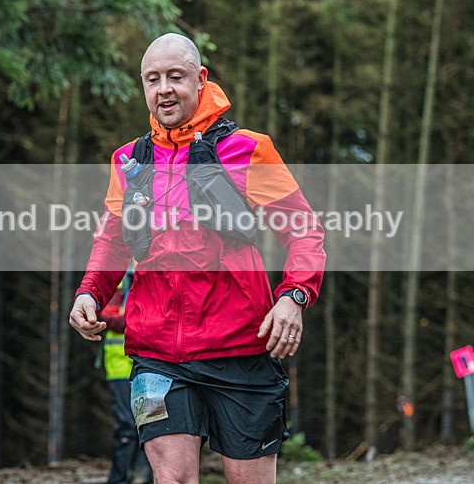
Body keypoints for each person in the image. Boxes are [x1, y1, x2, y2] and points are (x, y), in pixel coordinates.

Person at [69, 33, 326, 483]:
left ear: (200, 78)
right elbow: (112, 242)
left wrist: (294, 296)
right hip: (156, 354)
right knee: (173, 479)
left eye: (175, 76)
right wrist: (90, 292)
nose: (164, 88)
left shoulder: (247, 149)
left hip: (241, 348)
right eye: (153, 79)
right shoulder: (128, 161)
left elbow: (303, 231)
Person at [98, 266, 153, 484]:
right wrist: (144, 321)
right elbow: (107, 316)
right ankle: (118, 479)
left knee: (150, 423)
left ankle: (143, 478)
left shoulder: (157, 273)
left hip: (150, 363)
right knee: (127, 425)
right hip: (120, 365)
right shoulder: (119, 279)